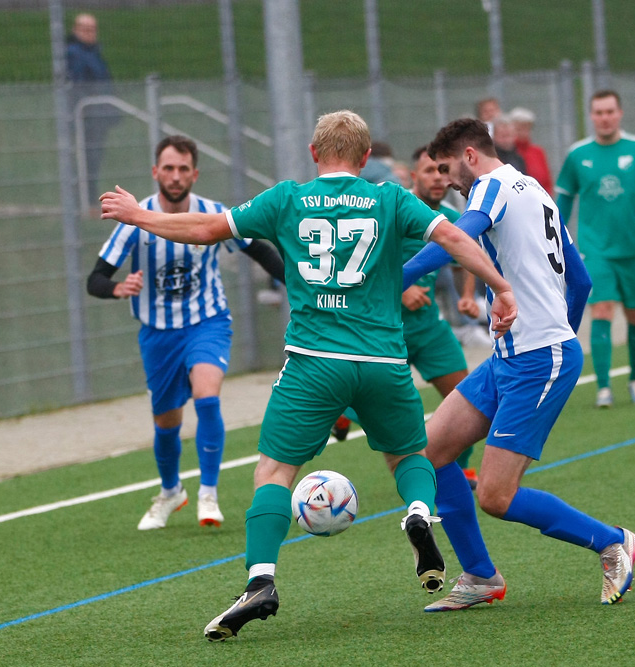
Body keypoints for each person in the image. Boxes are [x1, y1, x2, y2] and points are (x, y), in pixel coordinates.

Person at [100, 111, 517, 641]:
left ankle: (260, 581)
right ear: (366, 159)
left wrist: (139, 215)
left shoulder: (288, 198)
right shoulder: (389, 197)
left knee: (274, 472)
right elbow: (456, 240)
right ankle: (416, 512)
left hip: (314, 363)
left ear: (314, 153)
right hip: (384, 362)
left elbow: (206, 229)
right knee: (409, 457)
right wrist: (500, 288)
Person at [402, 117, 635, 611]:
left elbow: (458, 240)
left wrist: (391, 275)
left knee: (495, 495)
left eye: (447, 169)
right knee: (431, 452)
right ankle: (481, 577)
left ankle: (614, 540)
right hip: (515, 355)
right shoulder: (533, 189)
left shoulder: (490, 187)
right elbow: (581, 280)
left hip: (537, 358)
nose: (446, 181)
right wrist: (560, 329)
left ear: (470, 156)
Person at [86, 135, 285, 531]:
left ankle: (208, 494)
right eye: (168, 168)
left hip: (206, 322)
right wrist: (117, 288)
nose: (175, 176)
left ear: (194, 173)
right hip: (158, 332)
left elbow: (258, 249)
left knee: (207, 397)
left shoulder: (213, 213)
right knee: (166, 422)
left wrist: (296, 282)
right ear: (156, 172)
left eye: (183, 169)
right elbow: (95, 278)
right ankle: (171, 490)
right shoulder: (134, 219)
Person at [334, 145, 483, 488]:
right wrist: (400, 290)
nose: (436, 178)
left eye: (441, 171)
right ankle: (346, 408)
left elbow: (468, 254)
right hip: (387, 330)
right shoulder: (392, 211)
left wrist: (466, 295)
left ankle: (457, 469)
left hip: (429, 327)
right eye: (428, 172)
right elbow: (358, 262)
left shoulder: (449, 216)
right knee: (398, 413)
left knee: (468, 399)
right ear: (413, 177)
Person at [555, 90, 635, 408]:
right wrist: (553, 237)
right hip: (596, 250)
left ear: (620, 113)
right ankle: (603, 387)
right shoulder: (578, 155)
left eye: (609, 111)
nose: (604, 118)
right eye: (598, 112)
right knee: (602, 310)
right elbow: (563, 200)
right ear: (591, 116)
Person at [66, 12, 121, 208]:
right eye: (85, 29)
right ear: (76, 30)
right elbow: (79, 85)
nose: (90, 33)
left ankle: (88, 201)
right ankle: (85, 202)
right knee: (86, 160)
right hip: (86, 117)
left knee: (94, 160)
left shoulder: (94, 53)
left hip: (99, 117)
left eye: (92, 29)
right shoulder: (74, 53)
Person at [509, 106, 554, 194]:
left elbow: (547, 181)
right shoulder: (509, 151)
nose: (523, 132)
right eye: (519, 128)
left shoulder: (538, 152)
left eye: (527, 128)